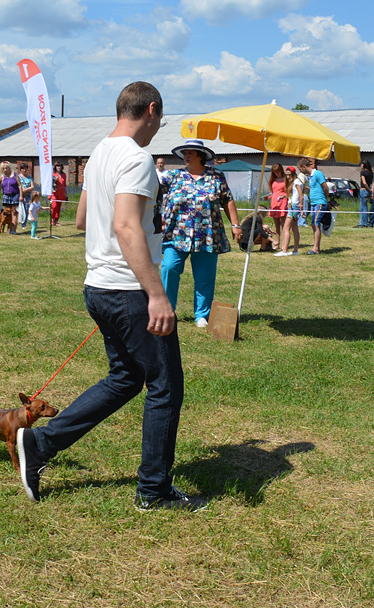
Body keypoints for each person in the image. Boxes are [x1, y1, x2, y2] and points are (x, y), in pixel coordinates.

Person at [15, 81, 205, 512]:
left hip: (98, 286)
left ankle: (40, 444)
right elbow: (125, 226)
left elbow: (82, 219)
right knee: (165, 387)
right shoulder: (137, 159)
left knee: (124, 379)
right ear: (152, 110)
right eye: (161, 118)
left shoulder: (98, 153)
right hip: (128, 290)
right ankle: (153, 491)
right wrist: (157, 294)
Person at [159, 139, 241, 328]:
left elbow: (227, 200)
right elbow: (152, 192)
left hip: (208, 235)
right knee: (169, 268)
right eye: (185, 153)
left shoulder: (216, 176)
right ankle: (167, 310)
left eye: (190, 153)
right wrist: (156, 217)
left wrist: (235, 225)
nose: (186, 156)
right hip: (176, 233)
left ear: (200, 156)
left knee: (205, 276)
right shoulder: (173, 176)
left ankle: (202, 315)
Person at [302, 157, 330, 255]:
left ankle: (316, 248)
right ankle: (316, 246)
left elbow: (325, 187)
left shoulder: (317, 174)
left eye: (300, 169)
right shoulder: (310, 176)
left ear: (304, 167)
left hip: (320, 202)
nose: (301, 172)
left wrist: (325, 199)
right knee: (313, 224)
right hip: (313, 202)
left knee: (315, 223)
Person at [274, 167, 301, 256]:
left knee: (286, 228)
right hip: (292, 206)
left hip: (294, 207)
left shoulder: (297, 181)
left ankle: (284, 250)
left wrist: (301, 205)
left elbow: (300, 195)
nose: (288, 177)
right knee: (294, 228)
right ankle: (295, 250)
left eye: (290, 175)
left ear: (293, 174)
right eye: (287, 175)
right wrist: (285, 197)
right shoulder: (293, 183)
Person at [0, 161, 21, 233]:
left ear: (9, 168)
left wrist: (21, 195)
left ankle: (13, 229)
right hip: (6, 195)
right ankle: (8, 229)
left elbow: (20, 186)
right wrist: (1, 187)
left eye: (6, 168)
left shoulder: (15, 175)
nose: (5, 170)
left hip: (14, 195)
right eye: (4, 168)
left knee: (14, 212)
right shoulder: (2, 177)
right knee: (7, 212)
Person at [267, 163, 287, 238]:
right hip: (274, 203)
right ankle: (277, 243)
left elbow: (290, 192)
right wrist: (268, 197)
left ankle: (284, 243)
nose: (276, 173)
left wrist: (285, 195)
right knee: (276, 225)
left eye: (278, 171)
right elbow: (274, 192)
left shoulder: (286, 179)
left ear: (281, 170)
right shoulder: (273, 180)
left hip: (283, 202)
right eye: (275, 172)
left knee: (284, 224)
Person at [17, 162, 35, 228]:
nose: (24, 170)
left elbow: (32, 187)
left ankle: (23, 224)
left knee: (26, 209)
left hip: (27, 196)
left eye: (25, 169)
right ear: (20, 169)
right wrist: (22, 192)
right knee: (18, 210)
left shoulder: (30, 178)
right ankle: (17, 221)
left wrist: (25, 190)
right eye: (22, 169)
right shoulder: (18, 177)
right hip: (19, 196)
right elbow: (17, 186)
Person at [355, 160, 372, 227]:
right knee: (361, 207)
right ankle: (361, 222)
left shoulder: (363, 172)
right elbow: (372, 182)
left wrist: (368, 189)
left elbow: (364, 183)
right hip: (368, 191)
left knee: (363, 207)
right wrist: (371, 190)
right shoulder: (370, 173)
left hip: (363, 190)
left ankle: (364, 223)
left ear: (364, 165)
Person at [50, 162, 68, 227]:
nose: (59, 167)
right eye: (57, 166)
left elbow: (64, 185)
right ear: (55, 167)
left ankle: (56, 221)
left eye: (60, 166)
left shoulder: (64, 175)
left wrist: (66, 194)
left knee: (58, 208)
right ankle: (52, 219)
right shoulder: (53, 174)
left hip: (61, 193)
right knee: (54, 206)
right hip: (54, 192)